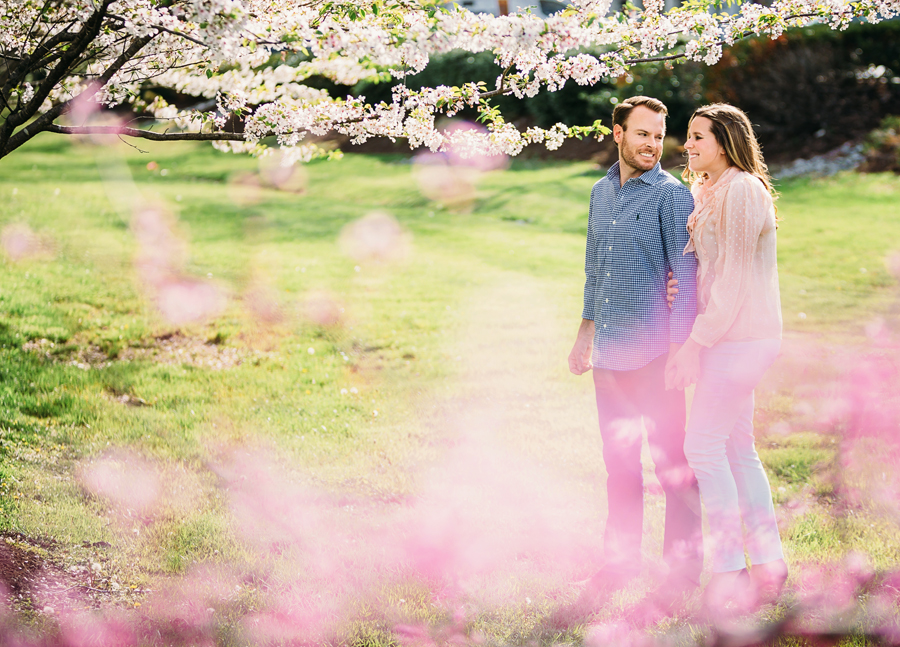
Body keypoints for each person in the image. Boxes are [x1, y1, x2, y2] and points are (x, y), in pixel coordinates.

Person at [568, 96, 703, 604]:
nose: (651, 144)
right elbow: (594, 269)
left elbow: (685, 279)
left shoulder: (670, 196)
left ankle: (682, 577)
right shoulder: (600, 193)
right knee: (619, 468)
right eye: (641, 133)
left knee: (673, 468)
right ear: (618, 133)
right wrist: (585, 335)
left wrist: (679, 351)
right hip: (608, 358)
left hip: (654, 358)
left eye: (658, 135)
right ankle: (619, 566)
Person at [664, 103, 787, 609]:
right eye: (687, 138)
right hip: (728, 335)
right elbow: (714, 268)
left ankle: (730, 569)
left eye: (698, 137)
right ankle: (769, 563)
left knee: (703, 448)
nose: (687, 146)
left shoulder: (741, 190)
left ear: (725, 140)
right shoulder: (708, 189)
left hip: (741, 338)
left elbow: (735, 279)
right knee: (737, 449)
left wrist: (694, 342)